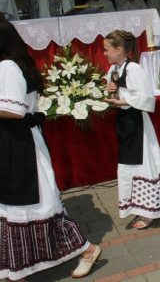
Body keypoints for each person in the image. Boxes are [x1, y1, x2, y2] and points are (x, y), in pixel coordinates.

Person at [0, 19, 101, 280]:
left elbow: (13, 110)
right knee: (16, 208)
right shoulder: (11, 64)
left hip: (20, 144)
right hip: (15, 143)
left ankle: (87, 250)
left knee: (37, 207)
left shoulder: (8, 66)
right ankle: (18, 269)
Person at [103, 30, 160, 228]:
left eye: (106, 50)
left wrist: (123, 101)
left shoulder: (133, 69)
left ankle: (148, 210)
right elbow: (114, 93)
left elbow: (147, 97)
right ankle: (138, 207)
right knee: (128, 166)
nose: (104, 54)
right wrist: (110, 92)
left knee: (142, 164)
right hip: (123, 122)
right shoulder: (113, 70)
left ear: (119, 50)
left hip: (137, 122)